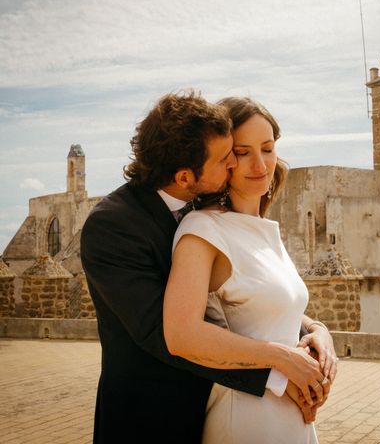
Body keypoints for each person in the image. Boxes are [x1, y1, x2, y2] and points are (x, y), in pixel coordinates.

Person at [81, 91, 335, 443]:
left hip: (213, 405)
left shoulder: (206, 212)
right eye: (228, 158)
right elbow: (168, 334)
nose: (235, 164)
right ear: (185, 176)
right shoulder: (114, 225)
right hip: (151, 419)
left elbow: (242, 294)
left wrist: (314, 329)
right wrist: (278, 374)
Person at [163, 96, 335, 443]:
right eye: (243, 152)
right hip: (245, 418)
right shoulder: (203, 229)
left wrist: (319, 333)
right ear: (224, 158)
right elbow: (181, 335)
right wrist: (284, 359)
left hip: (294, 417)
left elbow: (268, 311)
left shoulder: (263, 227)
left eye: (268, 148)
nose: (260, 164)